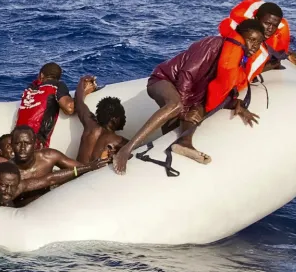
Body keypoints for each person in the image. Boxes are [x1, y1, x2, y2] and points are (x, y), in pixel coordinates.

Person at [113, 19, 266, 175]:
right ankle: (126, 149)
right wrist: (185, 111)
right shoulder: (214, 44)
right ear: (239, 36)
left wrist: (236, 104)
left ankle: (183, 144)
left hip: (191, 93)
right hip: (165, 79)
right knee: (175, 105)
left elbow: (223, 90)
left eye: (259, 42)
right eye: (251, 39)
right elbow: (187, 74)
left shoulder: (239, 60)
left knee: (194, 113)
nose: (255, 45)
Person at [0, 162, 84, 245]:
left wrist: (88, 167)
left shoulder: (14, 188)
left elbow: (49, 179)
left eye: (12, 186)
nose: (8, 191)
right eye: (3, 186)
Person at [219, 0, 296, 74]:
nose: (270, 29)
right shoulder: (241, 30)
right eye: (267, 23)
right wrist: (271, 65)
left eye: (274, 25)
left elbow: (277, 48)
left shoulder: (278, 29)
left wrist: (289, 53)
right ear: (256, 19)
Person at [16, 62, 74, 145]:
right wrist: (83, 93)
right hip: (35, 142)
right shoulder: (57, 85)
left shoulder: (29, 89)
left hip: (15, 138)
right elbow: (69, 109)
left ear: (41, 75)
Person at [75, 76, 129, 163]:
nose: (124, 118)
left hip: (76, 174)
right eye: (122, 116)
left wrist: (82, 80)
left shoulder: (90, 125)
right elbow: (138, 149)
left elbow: (79, 101)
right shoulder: (119, 141)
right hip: (92, 176)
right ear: (115, 119)